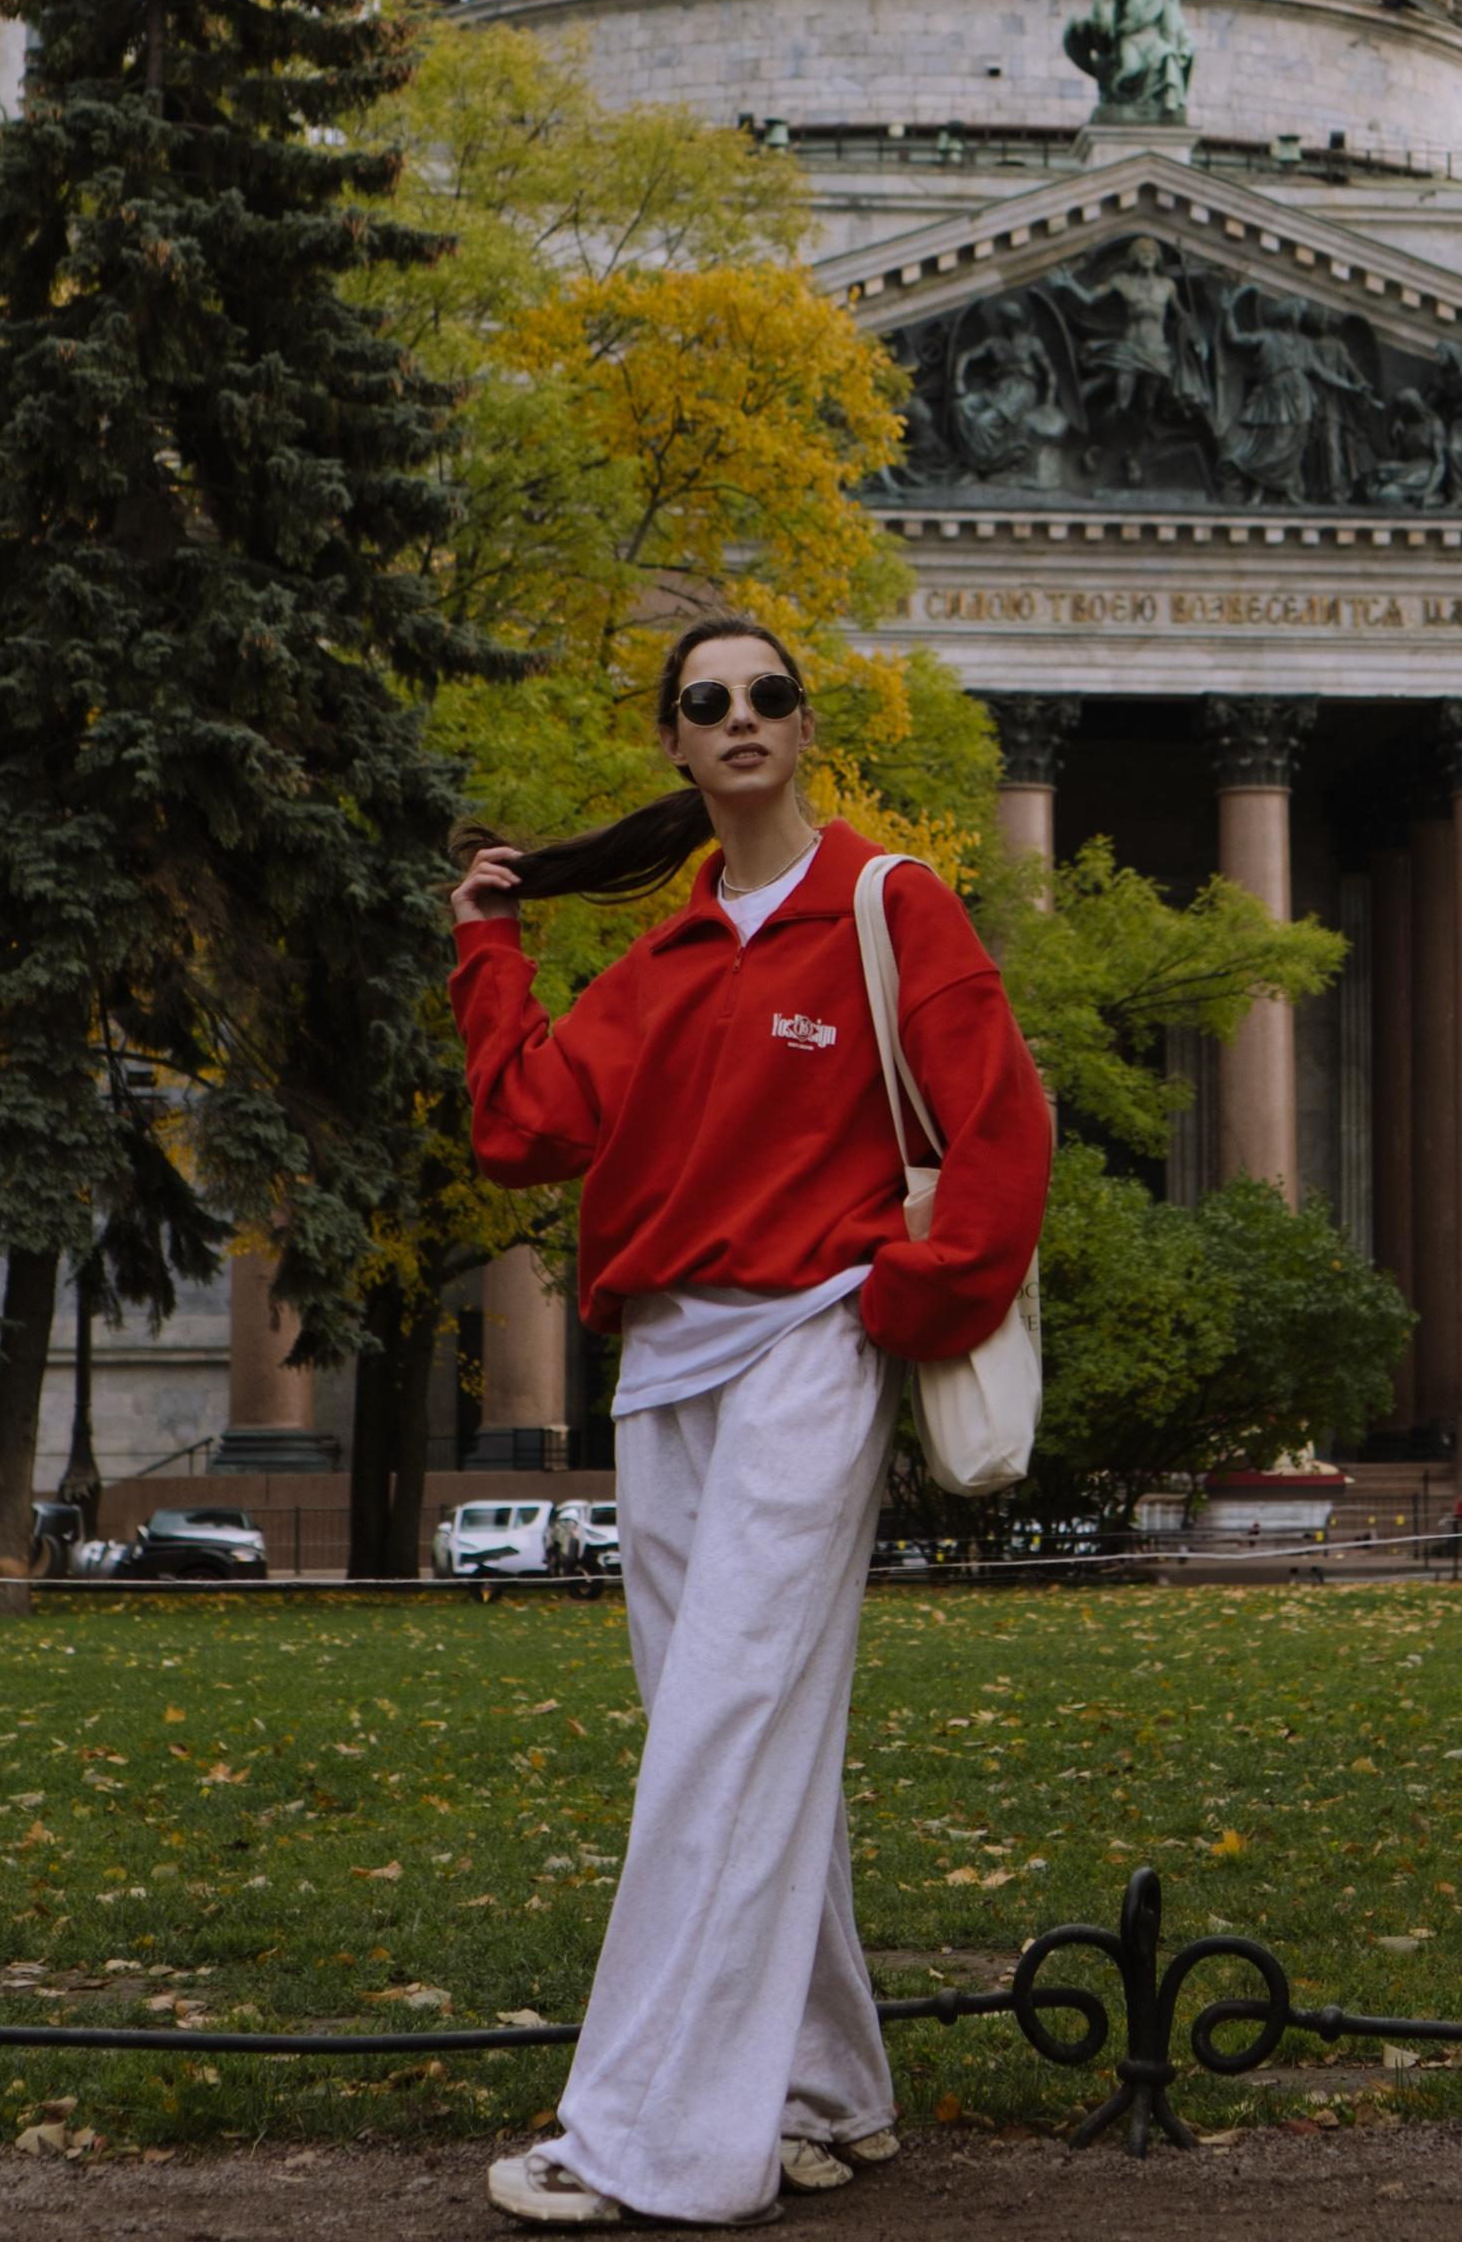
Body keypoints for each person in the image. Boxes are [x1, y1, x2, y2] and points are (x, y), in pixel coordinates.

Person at [446, 616, 1051, 2231]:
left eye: (769, 695)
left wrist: (909, 1300)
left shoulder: (889, 904)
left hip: (811, 1347)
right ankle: (827, 2089)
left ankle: (646, 2141)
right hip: (662, 1368)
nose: (740, 717)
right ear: (676, 739)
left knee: (724, 1724)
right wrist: (491, 945)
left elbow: (1001, 1127)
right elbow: (523, 1129)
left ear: (804, 725)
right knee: (733, 1733)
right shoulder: (665, 960)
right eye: (707, 700)